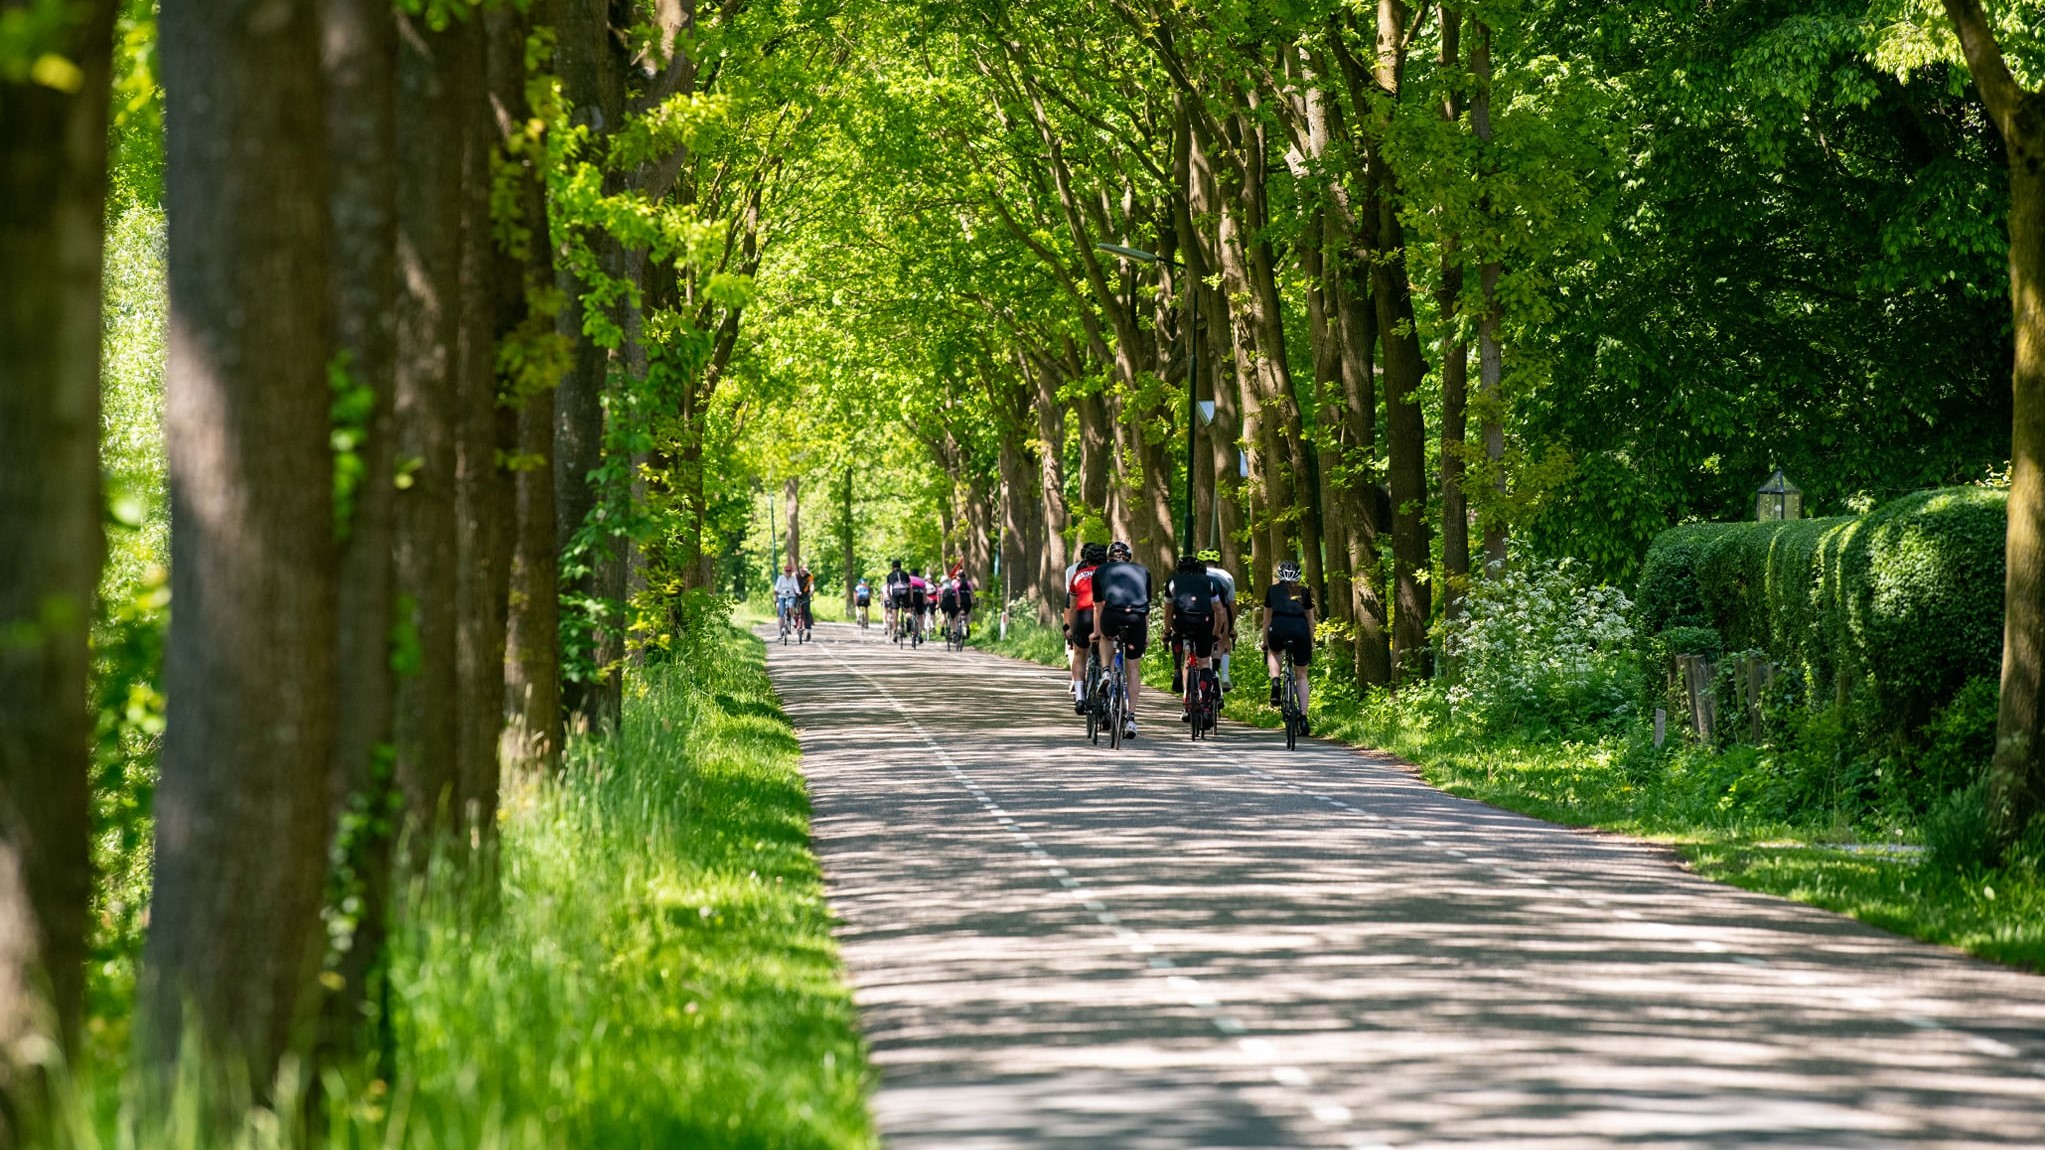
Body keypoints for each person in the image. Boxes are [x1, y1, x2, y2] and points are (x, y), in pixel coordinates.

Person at [1091, 540, 1153, 740]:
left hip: (1112, 614)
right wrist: (1147, 634)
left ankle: (1107, 672)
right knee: (1133, 669)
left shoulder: (1100, 571)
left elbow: (1098, 606)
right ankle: (1132, 718)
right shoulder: (1143, 572)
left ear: (1109, 558)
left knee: (1106, 638)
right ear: (1129, 557)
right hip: (1136, 618)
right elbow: (1146, 607)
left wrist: (1097, 631)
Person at [1162, 553, 1221, 724]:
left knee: (1177, 634)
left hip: (1181, 620)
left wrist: (1166, 632)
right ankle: (1205, 707)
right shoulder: (1209, 582)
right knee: (1204, 663)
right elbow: (1219, 610)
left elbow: (1168, 611)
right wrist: (1216, 632)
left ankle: (1177, 670)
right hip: (1204, 621)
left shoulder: (1172, 581)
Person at [1261, 559, 1316, 734]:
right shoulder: (1305, 592)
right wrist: (1311, 642)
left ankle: (1276, 682)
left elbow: (1266, 620)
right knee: (1302, 676)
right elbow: (1311, 621)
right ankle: (1304, 718)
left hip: (1278, 627)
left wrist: (1265, 641)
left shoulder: (1271, 591)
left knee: (1274, 651)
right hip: (1300, 630)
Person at [1063, 542, 1108, 713]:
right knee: (1108, 652)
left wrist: (1072, 628)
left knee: (1079, 655)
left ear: (1086, 560)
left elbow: (1072, 606)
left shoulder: (1078, 575)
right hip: (1103, 616)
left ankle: (1080, 697)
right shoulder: (1108, 574)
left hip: (1083, 616)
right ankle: (1107, 678)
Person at [1198, 549, 1238, 690]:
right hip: (1220, 612)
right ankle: (1224, 675)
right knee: (1223, 642)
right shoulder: (1227, 576)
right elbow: (1232, 605)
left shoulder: (1197, 575)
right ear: (1217, 562)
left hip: (1200, 612)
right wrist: (1231, 627)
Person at [773, 564, 800, 634]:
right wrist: (776, 591)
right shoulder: (781, 578)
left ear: (791, 572)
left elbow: (796, 586)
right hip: (782, 596)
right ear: (784, 571)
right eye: (786, 571)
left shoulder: (793, 578)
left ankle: (792, 619)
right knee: (781, 614)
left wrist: (798, 592)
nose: (788, 573)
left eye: (789, 571)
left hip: (791, 595)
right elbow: (777, 587)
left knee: (791, 606)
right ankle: (779, 631)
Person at [885, 560, 910, 636]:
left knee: (895, 613)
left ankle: (895, 631)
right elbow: (910, 587)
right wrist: (910, 599)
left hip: (895, 592)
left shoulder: (890, 575)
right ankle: (909, 621)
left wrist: (891, 599)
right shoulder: (905, 574)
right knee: (907, 610)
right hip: (905, 592)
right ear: (900, 566)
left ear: (892, 567)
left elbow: (887, 590)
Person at [907, 566, 931, 642]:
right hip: (919, 595)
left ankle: (909, 621)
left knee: (908, 610)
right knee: (920, 615)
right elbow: (925, 591)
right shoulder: (922, 581)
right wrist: (924, 602)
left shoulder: (908, 579)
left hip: (910, 595)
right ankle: (920, 633)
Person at [795, 563, 816, 634]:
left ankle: (808, 629)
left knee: (807, 610)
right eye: (803, 571)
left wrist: (811, 592)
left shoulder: (809, 576)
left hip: (805, 594)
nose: (804, 572)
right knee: (793, 606)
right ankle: (795, 621)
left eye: (805, 571)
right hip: (796, 594)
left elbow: (812, 584)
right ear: (800, 569)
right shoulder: (795, 575)